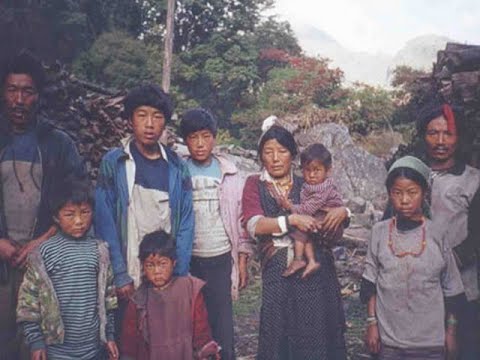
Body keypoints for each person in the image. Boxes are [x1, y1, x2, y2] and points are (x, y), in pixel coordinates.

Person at [0, 51, 84, 359]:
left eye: (27, 91)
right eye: (12, 90)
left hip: (44, 263)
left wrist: (41, 241)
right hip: (2, 266)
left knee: (39, 345)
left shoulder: (58, 144)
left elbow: (78, 201)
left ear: (39, 96)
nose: (19, 99)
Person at [242, 123, 349, 359]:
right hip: (279, 272)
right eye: (269, 152)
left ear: (292, 155)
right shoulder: (255, 185)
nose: (276, 158)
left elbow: (332, 208)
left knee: (316, 332)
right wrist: (291, 220)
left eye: (282, 151)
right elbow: (255, 225)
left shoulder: (309, 180)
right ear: (261, 156)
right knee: (277, 331)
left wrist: (343, 212)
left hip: (316, 272)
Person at [94, 83, 194, 302]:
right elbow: (105, 221)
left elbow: (185, 223)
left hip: (165, 273)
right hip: (128, 271)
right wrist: (119, 273)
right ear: (130, 120)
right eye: (142, 115)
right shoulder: (115, 163)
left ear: (165, 123)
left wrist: (178, 273)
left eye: (157, 117)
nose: (149, 124)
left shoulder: (177, 167)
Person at [362, 156, 465, 359]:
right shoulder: (379, 232)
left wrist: (451, 332)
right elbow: (370, 284)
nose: (405, 200)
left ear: (424, 193)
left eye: (412, 192)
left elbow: (452, 289)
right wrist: (372, 324)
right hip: (389, 341)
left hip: (430, 343)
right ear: (389, 194)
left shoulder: (437, 234)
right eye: (397, 193)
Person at [179, 108, 254, 359]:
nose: (200, 144)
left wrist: (242, 261)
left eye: (205, 136)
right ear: (185, 140)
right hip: (189, 259)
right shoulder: (178, 172)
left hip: (221, 257)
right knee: (192, 321)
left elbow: (242, 221)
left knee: (222, 323)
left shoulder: (230, 174)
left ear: (214, 137)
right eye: (192, 138)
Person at [16, 175, 118, 360]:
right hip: (56, 352)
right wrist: (36, 342)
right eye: (70, 214)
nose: (79, 221)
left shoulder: (99, 251)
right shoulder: (44, 253)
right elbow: (28, 300)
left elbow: (109, 299)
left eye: (85, 212)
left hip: (93, 350)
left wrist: (109, 336)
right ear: (56, 216)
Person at [120, 230, 220, 360]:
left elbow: (201, 330)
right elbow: (130, 340)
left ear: (173, 263)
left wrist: (205, 351)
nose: (157, 271)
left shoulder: (190, 289)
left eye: (162, 264)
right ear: (143, 267)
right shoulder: (139, 299)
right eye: (150, 265)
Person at [279, 143, 343, 278]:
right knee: (304, 229)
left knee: (301, 227)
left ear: (328, 170)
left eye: (317, 170)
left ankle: (298, 259)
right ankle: (311, 261)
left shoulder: (322, 189)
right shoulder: (311, 185)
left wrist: (289, 206)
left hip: (330, 222)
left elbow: (308, 209)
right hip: (321, 218)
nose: (312, 175)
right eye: (307, 170)